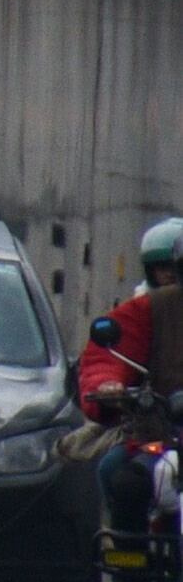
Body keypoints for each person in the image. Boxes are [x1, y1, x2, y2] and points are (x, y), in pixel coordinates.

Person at [77, 218, 183, 541]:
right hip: (163, 435)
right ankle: (128, 568)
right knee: (119, 472)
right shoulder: (151, 308)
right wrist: (107, 385)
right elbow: (106, 356)